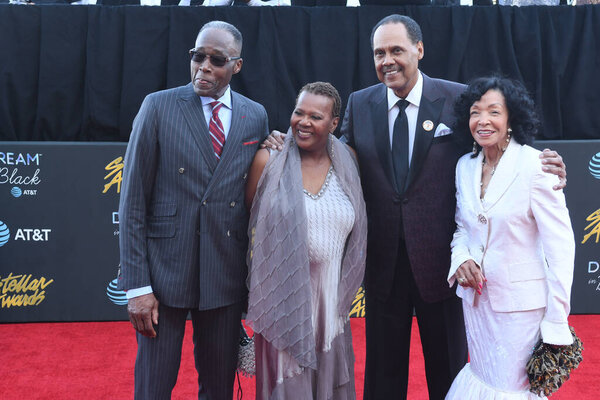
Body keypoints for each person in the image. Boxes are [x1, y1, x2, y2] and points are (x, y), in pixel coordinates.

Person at [262, 14, 566, 400]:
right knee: (383, 375)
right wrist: (282, 144)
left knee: (449, 372)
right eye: (378, 53)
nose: (386, 60)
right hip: (382, 264)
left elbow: (494, 147)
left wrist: (544, 162)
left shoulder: (458, 98)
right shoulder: (361, 102)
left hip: (444, 266)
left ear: (419, 50)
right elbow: (335, 156)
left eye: (396, 50)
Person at [118, 21, 268, 399]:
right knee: (153, 387)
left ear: (237, 65)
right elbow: (132, 201)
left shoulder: (255, 115)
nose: (204, 66)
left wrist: (275, 145)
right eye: (197, 56)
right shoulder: (158, 106)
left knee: (218, 388)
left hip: (223, 273)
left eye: (217, 60)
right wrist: (137, 286)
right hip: (163, 275)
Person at [445, 76, 574, 399]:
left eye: (494, 112)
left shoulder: (536, 166)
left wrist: (557, 322)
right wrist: (461, 258)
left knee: (510, 389)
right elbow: (462, 227)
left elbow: (561, 248)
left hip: (520, 311)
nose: (483, 121)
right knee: (481, 376)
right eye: (475, 112)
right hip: (477, 304)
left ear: (511, 119)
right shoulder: (465, 166)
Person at [245, 82, 367, 400]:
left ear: (334, 123)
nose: (304, 122)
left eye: (316, 116)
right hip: (282, 305)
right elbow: (247, 223)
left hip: (330, 305)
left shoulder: (349, 162)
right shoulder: (268, 162)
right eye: (299, 112)